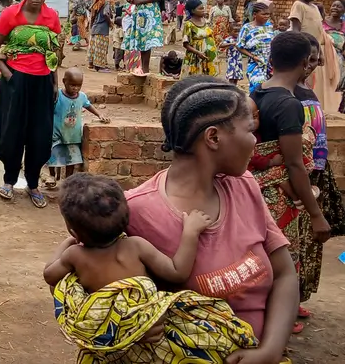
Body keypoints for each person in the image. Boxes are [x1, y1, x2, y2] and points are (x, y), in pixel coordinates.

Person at [126, 76, 299, 363]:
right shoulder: (138, 212)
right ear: (214, 138)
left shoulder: (244, 186)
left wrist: (269, 351)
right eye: (250, 130)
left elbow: (285, 275)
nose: (255, 141)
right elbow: (97, 292)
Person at [44, 174, 258, 362]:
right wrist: (190, 232)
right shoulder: (136, 246)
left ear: (74, 231)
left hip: (111, 345)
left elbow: (50, 275)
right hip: (154, 337)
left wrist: (66, 244)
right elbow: (177, 271)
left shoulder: (75, 256)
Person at [251, 31, 332, 337]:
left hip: (262, 187)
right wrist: (315, 213)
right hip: (279, 192)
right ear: (303, 63)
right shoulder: (289, 104)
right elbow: (294, 163)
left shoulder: (258, 93)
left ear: (271, 60)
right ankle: (276, 316)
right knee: (282, 254)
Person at [0, 0, 61, 208]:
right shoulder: (11, 14)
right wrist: (8, 74)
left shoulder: (52, 17)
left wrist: (55, 82)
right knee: (12, 131)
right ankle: (9, 180)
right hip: (16, 81)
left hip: (43, 82)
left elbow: (55, 53)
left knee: (40, 134)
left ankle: (33, 184)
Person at [292, 33, 345, 329]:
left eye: (316, 59)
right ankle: (284, 304)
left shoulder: (308, 91)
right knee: (294, 241)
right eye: (310, 60)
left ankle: (296, 299)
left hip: (316, 174)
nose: (315, 65)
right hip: (299, 175)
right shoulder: (287, 94)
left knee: (310, 242)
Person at [45, 68, 109, 184]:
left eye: (78, 86)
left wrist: (99, 114)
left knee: (72, 159)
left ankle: (68, 180)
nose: (75, 88)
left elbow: (88, 106)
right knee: (54, 154)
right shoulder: (58, 95)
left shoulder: (82, 96)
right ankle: (52, 175)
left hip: (73, 135)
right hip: (57, 133)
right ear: (64, 82)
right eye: (72, 85)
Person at [289, 0, 337, 108]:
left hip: (313, 51)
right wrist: (299, 51)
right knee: (299, 77)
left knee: (309, 79)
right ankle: (297, 104)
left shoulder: (315, 8)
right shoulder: (298, 6)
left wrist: (320, 53)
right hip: (303, 50)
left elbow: (320, 32)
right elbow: (296, 30)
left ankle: (306, 104)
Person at [123, 0, 166, 75]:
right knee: (142, 40)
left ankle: (146, 68)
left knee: (148, 40)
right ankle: (142, 67)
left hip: (151, 13)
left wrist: (140, 2)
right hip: (140, 14)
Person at [237, 1, 275, 93]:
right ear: (255, 14)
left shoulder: (269, 26)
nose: (266, 17)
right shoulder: (247, 28)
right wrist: (254, 57)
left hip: (271, 64)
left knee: (271, 89)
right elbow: (239, 46)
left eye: (268, 14)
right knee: (258, 88)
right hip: (256, 64)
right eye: (264, 14)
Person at [181, 0, 217, 77]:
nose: (203, 10)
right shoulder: (188, 24)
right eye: (200, 9)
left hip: (210, 56)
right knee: (196, 79)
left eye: (203, 8)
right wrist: (198, 53)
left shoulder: (206, 21)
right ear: (193, 11)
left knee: (210, 80)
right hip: (196, 57)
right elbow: (185, 44)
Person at [322, 0, 345, 112]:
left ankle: (337, 108)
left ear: (344, 11)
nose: (335, 8)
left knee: (339, 83)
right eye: (333, 5)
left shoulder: (343, 25)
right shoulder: (322, 22)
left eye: (339, 6)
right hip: (325, 58)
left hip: (340, 59)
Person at [87, 0, 113, 71]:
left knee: (93, 48)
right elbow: (105, 14)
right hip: (102, 29)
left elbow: (93, 16)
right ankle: (99, 67)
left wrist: (91, 26)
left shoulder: (96, 3)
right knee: (100, 48)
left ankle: (91, 64)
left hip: (95, 28)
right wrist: (110, 23)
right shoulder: (105, 3)